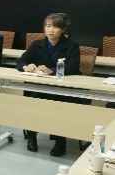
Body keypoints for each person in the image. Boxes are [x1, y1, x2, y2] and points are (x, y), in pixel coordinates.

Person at [16, 13, 82, 156]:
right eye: (48, 26)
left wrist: (52, 71)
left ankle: (60, 140)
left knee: (59, 107)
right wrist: (26, 67)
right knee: (32, 102)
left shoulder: (72, 46)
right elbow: (21, 61)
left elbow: (73, 68)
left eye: (55, 27)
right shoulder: (37, 44)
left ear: (63, 29)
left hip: (61, 88)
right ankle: (32, 135)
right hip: (38, 87)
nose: (51, 30)